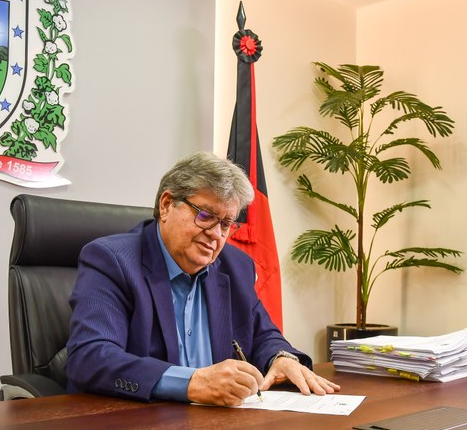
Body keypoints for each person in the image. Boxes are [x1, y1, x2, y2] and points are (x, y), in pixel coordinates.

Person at [65, 151, 340, 406]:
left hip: (214, 425)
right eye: (206, 215)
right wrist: (191, 382)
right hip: (133, 424)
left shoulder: (235, 266)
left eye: (226, 224)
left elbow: (263, 334)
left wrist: (280, 358)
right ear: (166, 205)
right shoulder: (112, 260)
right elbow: (90, 357)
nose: (216, 234)